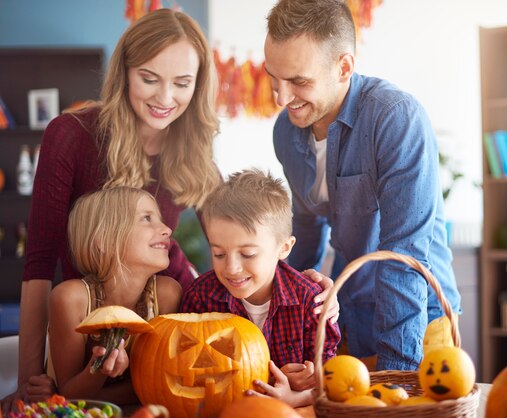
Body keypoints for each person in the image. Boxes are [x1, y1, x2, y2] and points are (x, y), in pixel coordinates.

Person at [2, 8, 335, 412]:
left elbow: (249, 225)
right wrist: (27, 378)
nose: (165, 98)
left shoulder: (191, 150)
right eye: (149, 79)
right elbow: (38, 264)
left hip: (164, 316)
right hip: (86, 324)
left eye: (182, 83)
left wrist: (304, 283)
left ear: (197, 85)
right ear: (124, 72)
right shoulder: (71, 135)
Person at [264, 0, 462, 372]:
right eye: (273, 78)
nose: (281, 98)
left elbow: (404, 256)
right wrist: (282, 320)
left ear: (344, 67)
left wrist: (397, 374)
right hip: (350, 312)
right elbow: (305, 231)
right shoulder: (286, 132)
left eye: (298, 82)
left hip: (419, 320)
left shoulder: (395, 119)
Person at [180, 169, 341, 408]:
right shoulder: (201, 297)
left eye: (248, 254)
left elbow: (333, 379)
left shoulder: (310, 300)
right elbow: (187, 368)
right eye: (219, 253)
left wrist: (297, 397)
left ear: (284, 248)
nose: (232, 268)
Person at [48, 186, 182, 404]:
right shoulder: (71, 299)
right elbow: (69, 395)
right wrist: (99, 370)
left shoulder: (167, 294)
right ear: (104, 239)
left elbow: (164, 383)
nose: (167, 228)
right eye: (147, 218)